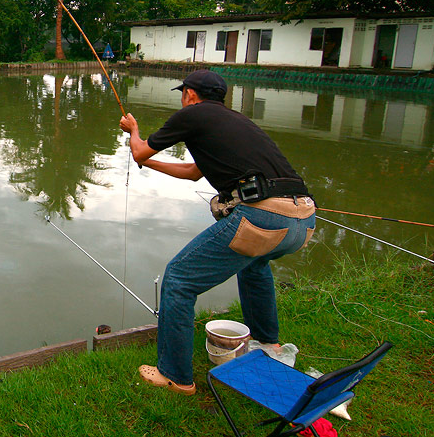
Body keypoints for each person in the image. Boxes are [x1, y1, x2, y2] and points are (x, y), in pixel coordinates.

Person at [119, 69, 315, 395]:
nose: (182, 99)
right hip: (303, 220)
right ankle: (269, 346)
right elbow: (193, 172)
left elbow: (140, 150)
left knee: (180, 279)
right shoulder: (233, 121)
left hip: (262, 218)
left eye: (184, 93)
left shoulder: (193, 114)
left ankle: (175, 376)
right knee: (254, 265)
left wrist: (134, 131)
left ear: (192, 95)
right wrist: (146, 162)